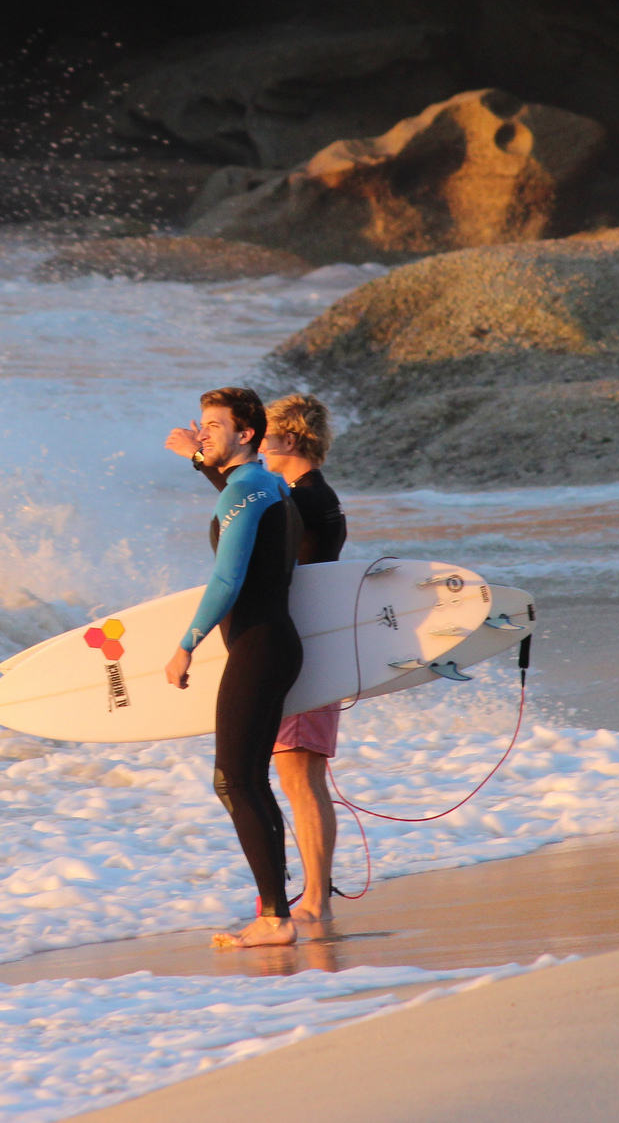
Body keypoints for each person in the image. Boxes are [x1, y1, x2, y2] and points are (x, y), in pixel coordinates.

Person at [167, 393, 346, 921]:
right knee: (277, 776)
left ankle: (312, 898)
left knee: (295, 774)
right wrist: (203, 459)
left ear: (286, 440)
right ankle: (294, 896)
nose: (263, 445)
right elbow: (246, 495)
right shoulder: (291, 490)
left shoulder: (306, 496)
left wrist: (187, 644)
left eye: (266, 435)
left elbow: (244, 524)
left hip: (299, 644)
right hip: (299, 644)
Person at [161, 387, 303, 950]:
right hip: (273, 644)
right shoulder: (266, 483)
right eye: (201, 426)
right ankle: (276, 911)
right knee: (248, 779)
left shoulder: (246, 489)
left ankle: (275, 918)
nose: (203, 435)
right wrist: (198, 458)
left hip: (260, 647)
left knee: (233, 779)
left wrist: (186, 644)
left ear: (246, 433)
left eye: (213, 426)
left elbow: (227, 579)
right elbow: (230, 483)